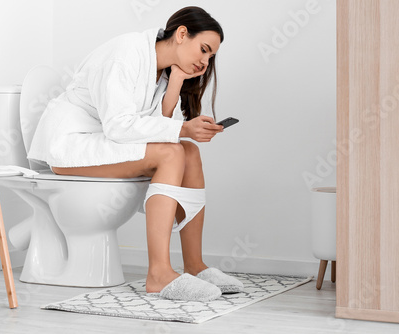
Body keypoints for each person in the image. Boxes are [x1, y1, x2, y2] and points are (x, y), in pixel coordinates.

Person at [28, 6, 243, 301]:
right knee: (172, 154)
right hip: (71, 145)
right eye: (204, 50)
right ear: (182, 34)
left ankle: (195, 265)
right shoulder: (125, 54)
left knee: (188, 153)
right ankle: (159, 274)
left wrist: (177, 82)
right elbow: (120, 127)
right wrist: (183, 130)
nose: (205, 62)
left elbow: (153, 126)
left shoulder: (161, 70)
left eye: (210, 57)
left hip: (102, 141)